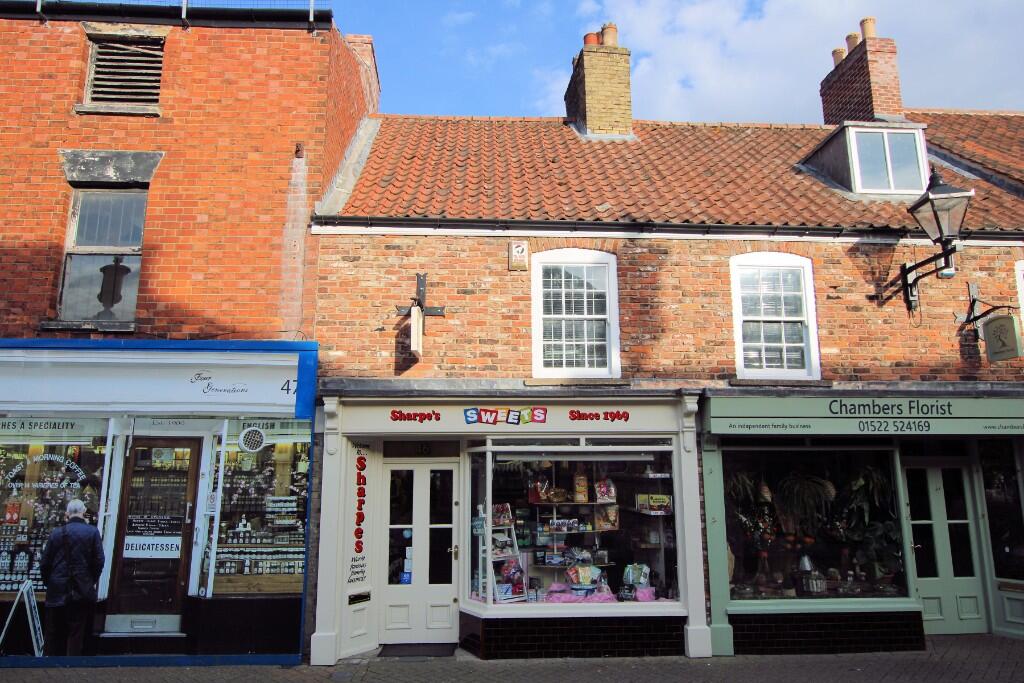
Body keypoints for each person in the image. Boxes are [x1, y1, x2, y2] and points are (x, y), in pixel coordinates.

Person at [40, 499, 104, 656]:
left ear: (67, 514)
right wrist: (90, 580)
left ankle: (49, 665)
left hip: (57, 588)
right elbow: (99, 561)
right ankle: (72, 665)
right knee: (76, 630)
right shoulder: (92, 532)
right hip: (81, 589)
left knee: (54, 632)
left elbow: (45, 563)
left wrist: (50, 582)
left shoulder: (56, 533)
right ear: (83, 513)